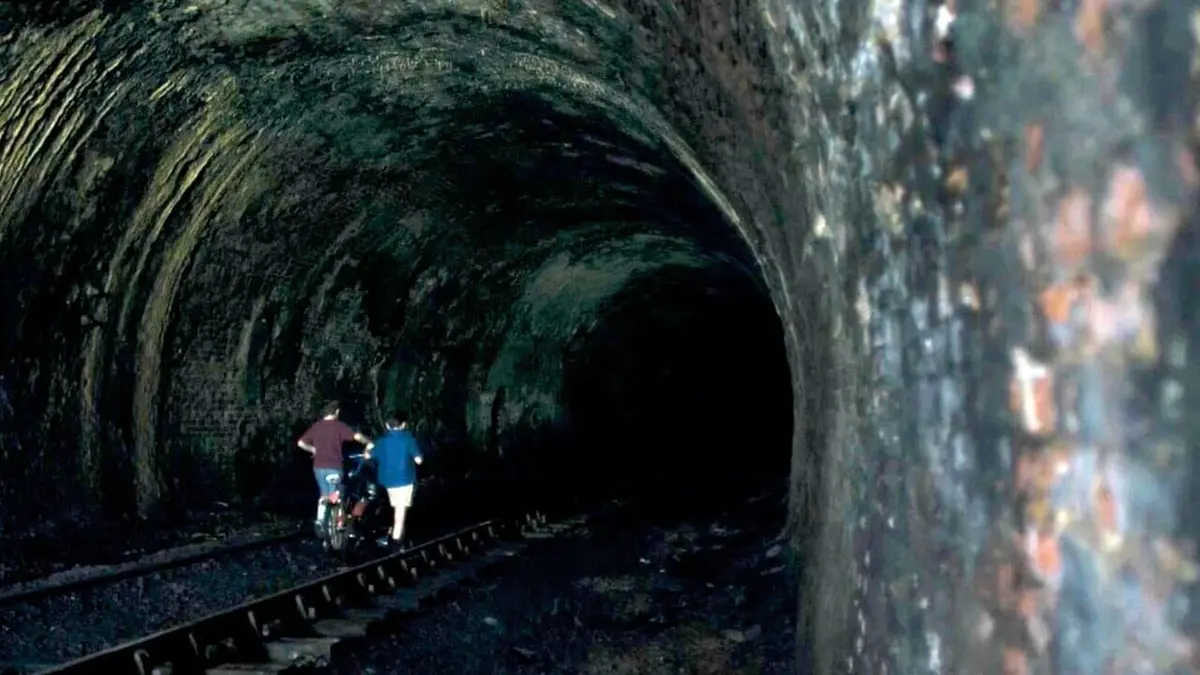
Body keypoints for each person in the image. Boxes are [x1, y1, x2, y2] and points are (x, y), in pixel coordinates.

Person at [297, 401, 374, 530]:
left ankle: (320, 521)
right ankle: (338, 525)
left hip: (318, 467)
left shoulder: (316, 426)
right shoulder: (339, 426)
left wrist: (313, 450)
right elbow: (357, 436)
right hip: (334, 466)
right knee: (337, 495)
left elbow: (300, 443)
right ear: (337, 411)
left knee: (324, 494)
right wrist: (369, 443)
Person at [366, 413, 423, 549]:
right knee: (400, 510)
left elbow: (368, 456)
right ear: (403, 425)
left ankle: (397, 536)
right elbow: (419, 460)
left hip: (386, 481)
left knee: (394, 507)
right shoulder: (408, 439)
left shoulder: (381, 441)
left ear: (387, 425)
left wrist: (367, 448)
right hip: (404, 480)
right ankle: (396, 542)